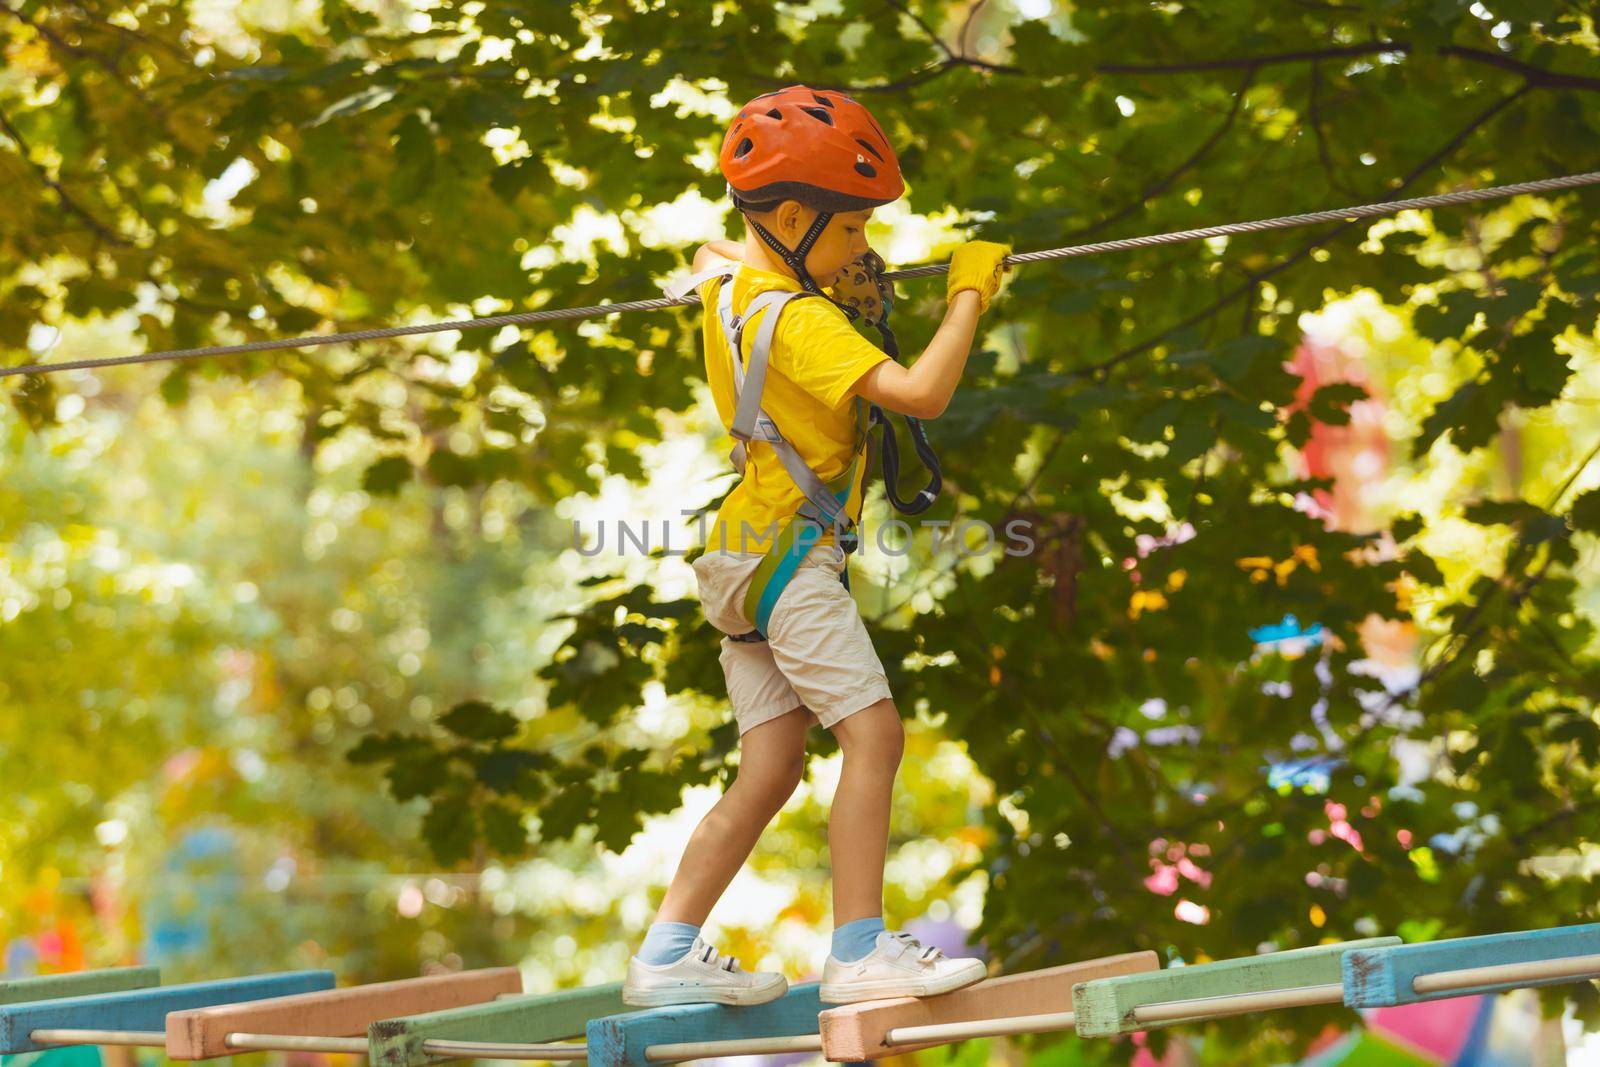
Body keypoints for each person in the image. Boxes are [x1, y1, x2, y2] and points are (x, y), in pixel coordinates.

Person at [622, 85, 1010, 1008]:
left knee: (770, 769)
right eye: (851, 231)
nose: (864, 250)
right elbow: (918, 394)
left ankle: (665, 952)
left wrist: (837, 276)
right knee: (874, 734)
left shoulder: (736, 286)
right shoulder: (797, 319)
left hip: (741, 557)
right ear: (791, 217)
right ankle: (860, 950)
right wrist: (966, 293)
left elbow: (712, 250)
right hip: (792, 555)